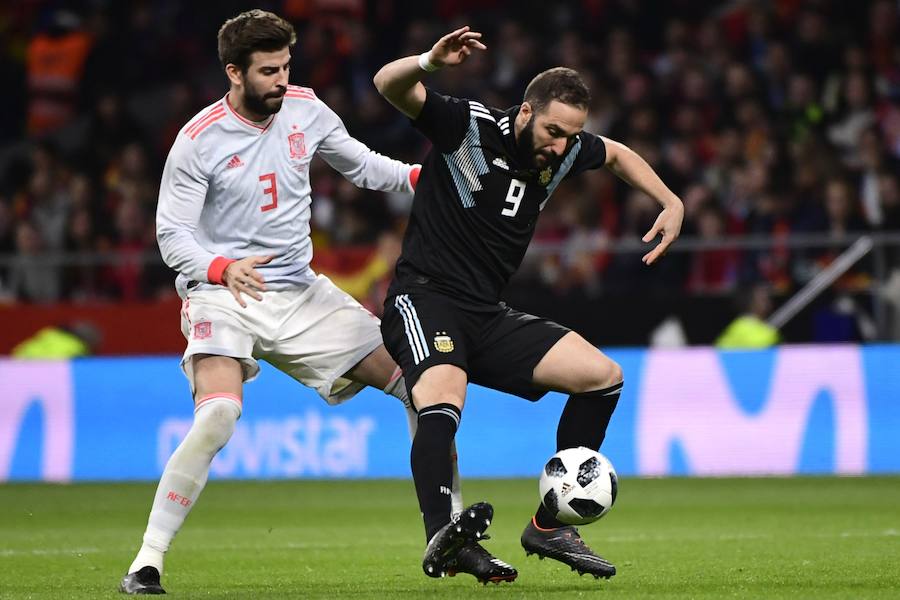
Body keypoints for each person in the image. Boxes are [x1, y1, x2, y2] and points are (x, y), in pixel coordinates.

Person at [119, 11, 464, 595]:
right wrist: (223, 267)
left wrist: (416, 178)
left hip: (301, 292)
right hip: (224, 292)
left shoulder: (304, 108)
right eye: (268, 71)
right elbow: (171, 235)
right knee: (220, 414)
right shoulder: (197, 141)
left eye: (286, 66)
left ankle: (450, 532)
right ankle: (147, 562)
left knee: (424, 382)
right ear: (234, 72)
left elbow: (358, 162)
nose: (282, 80)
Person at [373, 26, 684, 584]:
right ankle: (440, 537)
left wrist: (669, 200)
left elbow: (615, 154)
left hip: (486, 314)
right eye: (553, 131)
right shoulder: (467, 127)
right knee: (443, 395)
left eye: (571, 136)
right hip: (424, 298)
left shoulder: (564, 152)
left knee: (602, 376)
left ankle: (549, 524)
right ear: (524, 112)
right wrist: (427, 61)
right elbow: (388, 85)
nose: (561, 146)